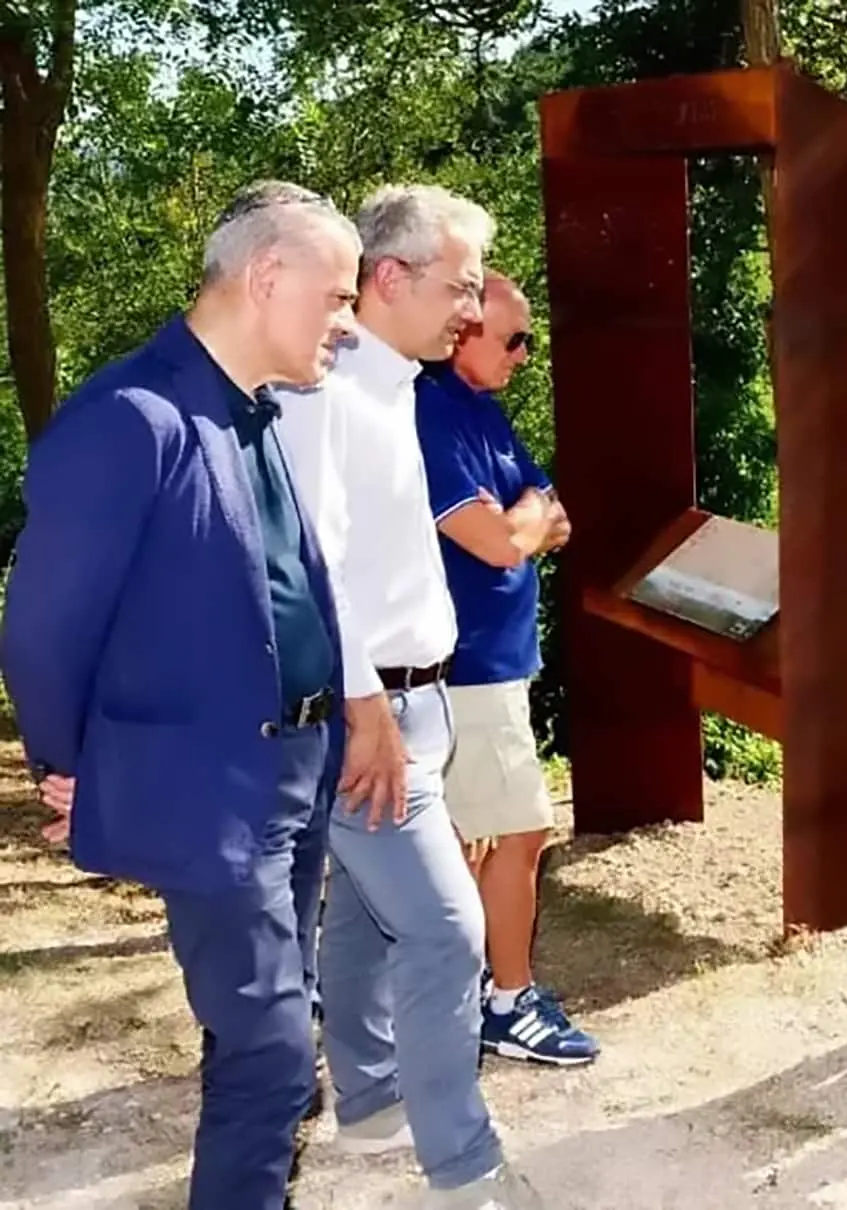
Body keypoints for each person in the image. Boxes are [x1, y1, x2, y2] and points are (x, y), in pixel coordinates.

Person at [0, 180, 357, 1210]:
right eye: (334, 297)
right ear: (266, 277)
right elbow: (40, 631)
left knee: (265, 1032)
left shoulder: (252, 414)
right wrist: (76, 768)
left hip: (293, 773)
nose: (344, 321)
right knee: (274, 1052)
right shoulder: (127, 419)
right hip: (210, 787)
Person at [273, 183, 538, 1209]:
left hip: (416, 701)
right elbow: (313, 569)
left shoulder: (395, 388)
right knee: (442, 929)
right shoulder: (323, 393)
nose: (472, 311)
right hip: (366, 713)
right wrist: (364, 709)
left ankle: (374, 1100)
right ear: (389, 277)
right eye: (460, 285)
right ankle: (465, 1171)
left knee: (366, 922)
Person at [413, 269, 598, 1067]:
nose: (527, 353)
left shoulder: (479, 413)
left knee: (475, 838)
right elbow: (497, 540)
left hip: (492, 667)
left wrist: (520, 523)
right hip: (469, 670)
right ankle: (507, 1002)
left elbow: (554, 509)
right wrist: (519, 527)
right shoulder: (431, 412)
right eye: (515, 338)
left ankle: (459, 997)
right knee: (519, 833)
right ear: (463, 332)